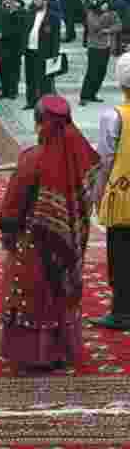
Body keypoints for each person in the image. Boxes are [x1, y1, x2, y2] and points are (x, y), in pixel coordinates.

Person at [0, 94, 99, 371]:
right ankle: (61, 350)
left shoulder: (32, 158)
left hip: (33, 241)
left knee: (33, 292)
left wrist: (7, 231)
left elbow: (13, 204)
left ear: (41, 123)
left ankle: (35, 355)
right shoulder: (81, 155)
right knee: (61, 292)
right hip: (70, 242)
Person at [92, 54, 130, 330]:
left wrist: (97, 195)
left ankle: (122, 311)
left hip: (123, 195)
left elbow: (104, 162)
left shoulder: (114, 116)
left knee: (120, 255)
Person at [23, 0, 62, 110]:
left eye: (38, 0)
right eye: (34, 0)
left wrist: (55, 53)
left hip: (44, 51)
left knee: (44, 80)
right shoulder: (30, 13)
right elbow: (25, 31)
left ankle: (45, 104)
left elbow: (56, 36)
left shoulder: (53, 17)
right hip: (30, 50)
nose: (35, 2)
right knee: (30, 78)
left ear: (45, 1)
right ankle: (31, 102)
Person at [80, 0, 119, 106]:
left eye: (106, 3)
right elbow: (95, 27)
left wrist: (108, 30)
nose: (105, 5)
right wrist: (106, 18)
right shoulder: (91, 14)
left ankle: (93, 94)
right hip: (94, 47)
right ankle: (84, 95)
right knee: (92, 72)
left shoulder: (110, 13)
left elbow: (118, 25)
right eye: (103, 3)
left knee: (102, 72)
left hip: (106, 46)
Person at [0, 0, 26, 100]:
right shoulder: (0, 8)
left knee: (13, 69)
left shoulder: (21, 11)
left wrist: (4, 34)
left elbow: (20, 29)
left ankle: (12, 91)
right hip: (1, 45)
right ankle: (4, 91)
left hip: (14, 45)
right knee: (3, 69)